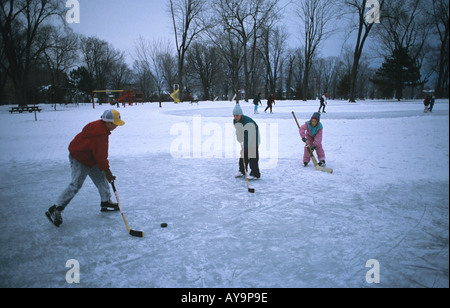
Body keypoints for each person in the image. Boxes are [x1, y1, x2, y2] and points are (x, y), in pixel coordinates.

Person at [46, 110, 126, 227]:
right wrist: (107, 171)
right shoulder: (100, 134)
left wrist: (105, 171)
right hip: (80, 158)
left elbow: (98, 155)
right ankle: (56, 209)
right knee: (76, 184)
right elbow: (101, 155)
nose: (117, 126)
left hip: (91, 157)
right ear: (108, 123)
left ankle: (106, 202)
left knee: (101, 179)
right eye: (116, 124)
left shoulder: (101, 128)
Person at [233, 104, 261, 179]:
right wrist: (239, 138)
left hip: (253, 139)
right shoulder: (235, 121)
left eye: (237, 116)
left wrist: (244, 147)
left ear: (241, 115)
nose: (235, 117)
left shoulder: (248, 123)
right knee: (243, 155)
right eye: (234, 115)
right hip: (245, 138)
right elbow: (238, 130)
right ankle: (242, 171)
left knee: (252, 156)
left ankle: (255, 174)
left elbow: (250, 136)